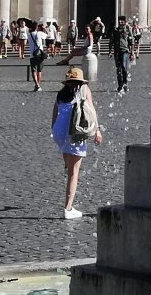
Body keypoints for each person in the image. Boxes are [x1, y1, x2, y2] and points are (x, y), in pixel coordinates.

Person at [51, 67, 102, 219]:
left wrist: (53, 128)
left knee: (70, 165)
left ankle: (68, 164)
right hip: (75, 132)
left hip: (60, 132)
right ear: (80, 81)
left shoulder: (61, 93)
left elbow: (54, 112)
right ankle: (68, 208)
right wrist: (97, 130)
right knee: (74, 174)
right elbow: (91, 111)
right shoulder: (84, 90)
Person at [110, 16, 132, 94]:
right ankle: (120, 86)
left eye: (122, 21)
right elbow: (111, 41)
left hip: (125, 52)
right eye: (119, 21)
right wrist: (110, 51)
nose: (120, 22)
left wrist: (132, 53)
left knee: (124, 69)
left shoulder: (128, 29)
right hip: (117, 52)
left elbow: (131, 41)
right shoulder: (115, 30)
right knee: (118, 70)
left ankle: (125, 84)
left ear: (125, 22)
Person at [29, 20, 49, 92]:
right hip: (39, 54)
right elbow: (48, 35)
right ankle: (38, 86)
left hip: (32, 54)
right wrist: (45, 29)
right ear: (37, 27)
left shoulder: (29, 35)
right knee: (39, 70)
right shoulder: (39, 33)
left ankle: (36, 84)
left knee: (33, 70)